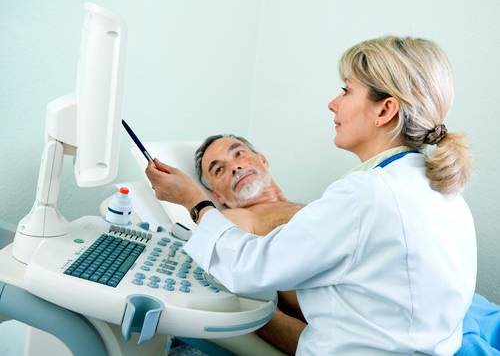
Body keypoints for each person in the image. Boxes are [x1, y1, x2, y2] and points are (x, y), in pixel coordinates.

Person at [146, 36, 476, 355]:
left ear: (385, 110)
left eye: (346, 90)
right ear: (216, 193)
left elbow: (248, 266)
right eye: (218, 169)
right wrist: (198, 202)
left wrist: (194, 202)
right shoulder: (444, 193)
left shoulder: (365, 195)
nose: (333, 103)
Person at [194, 134, 307, 355]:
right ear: (217, 195)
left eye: (239, 154)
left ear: (263, 160)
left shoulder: (306, 207)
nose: (234, 167)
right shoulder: (238, 220)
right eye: (220, 170)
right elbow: (255, 310)